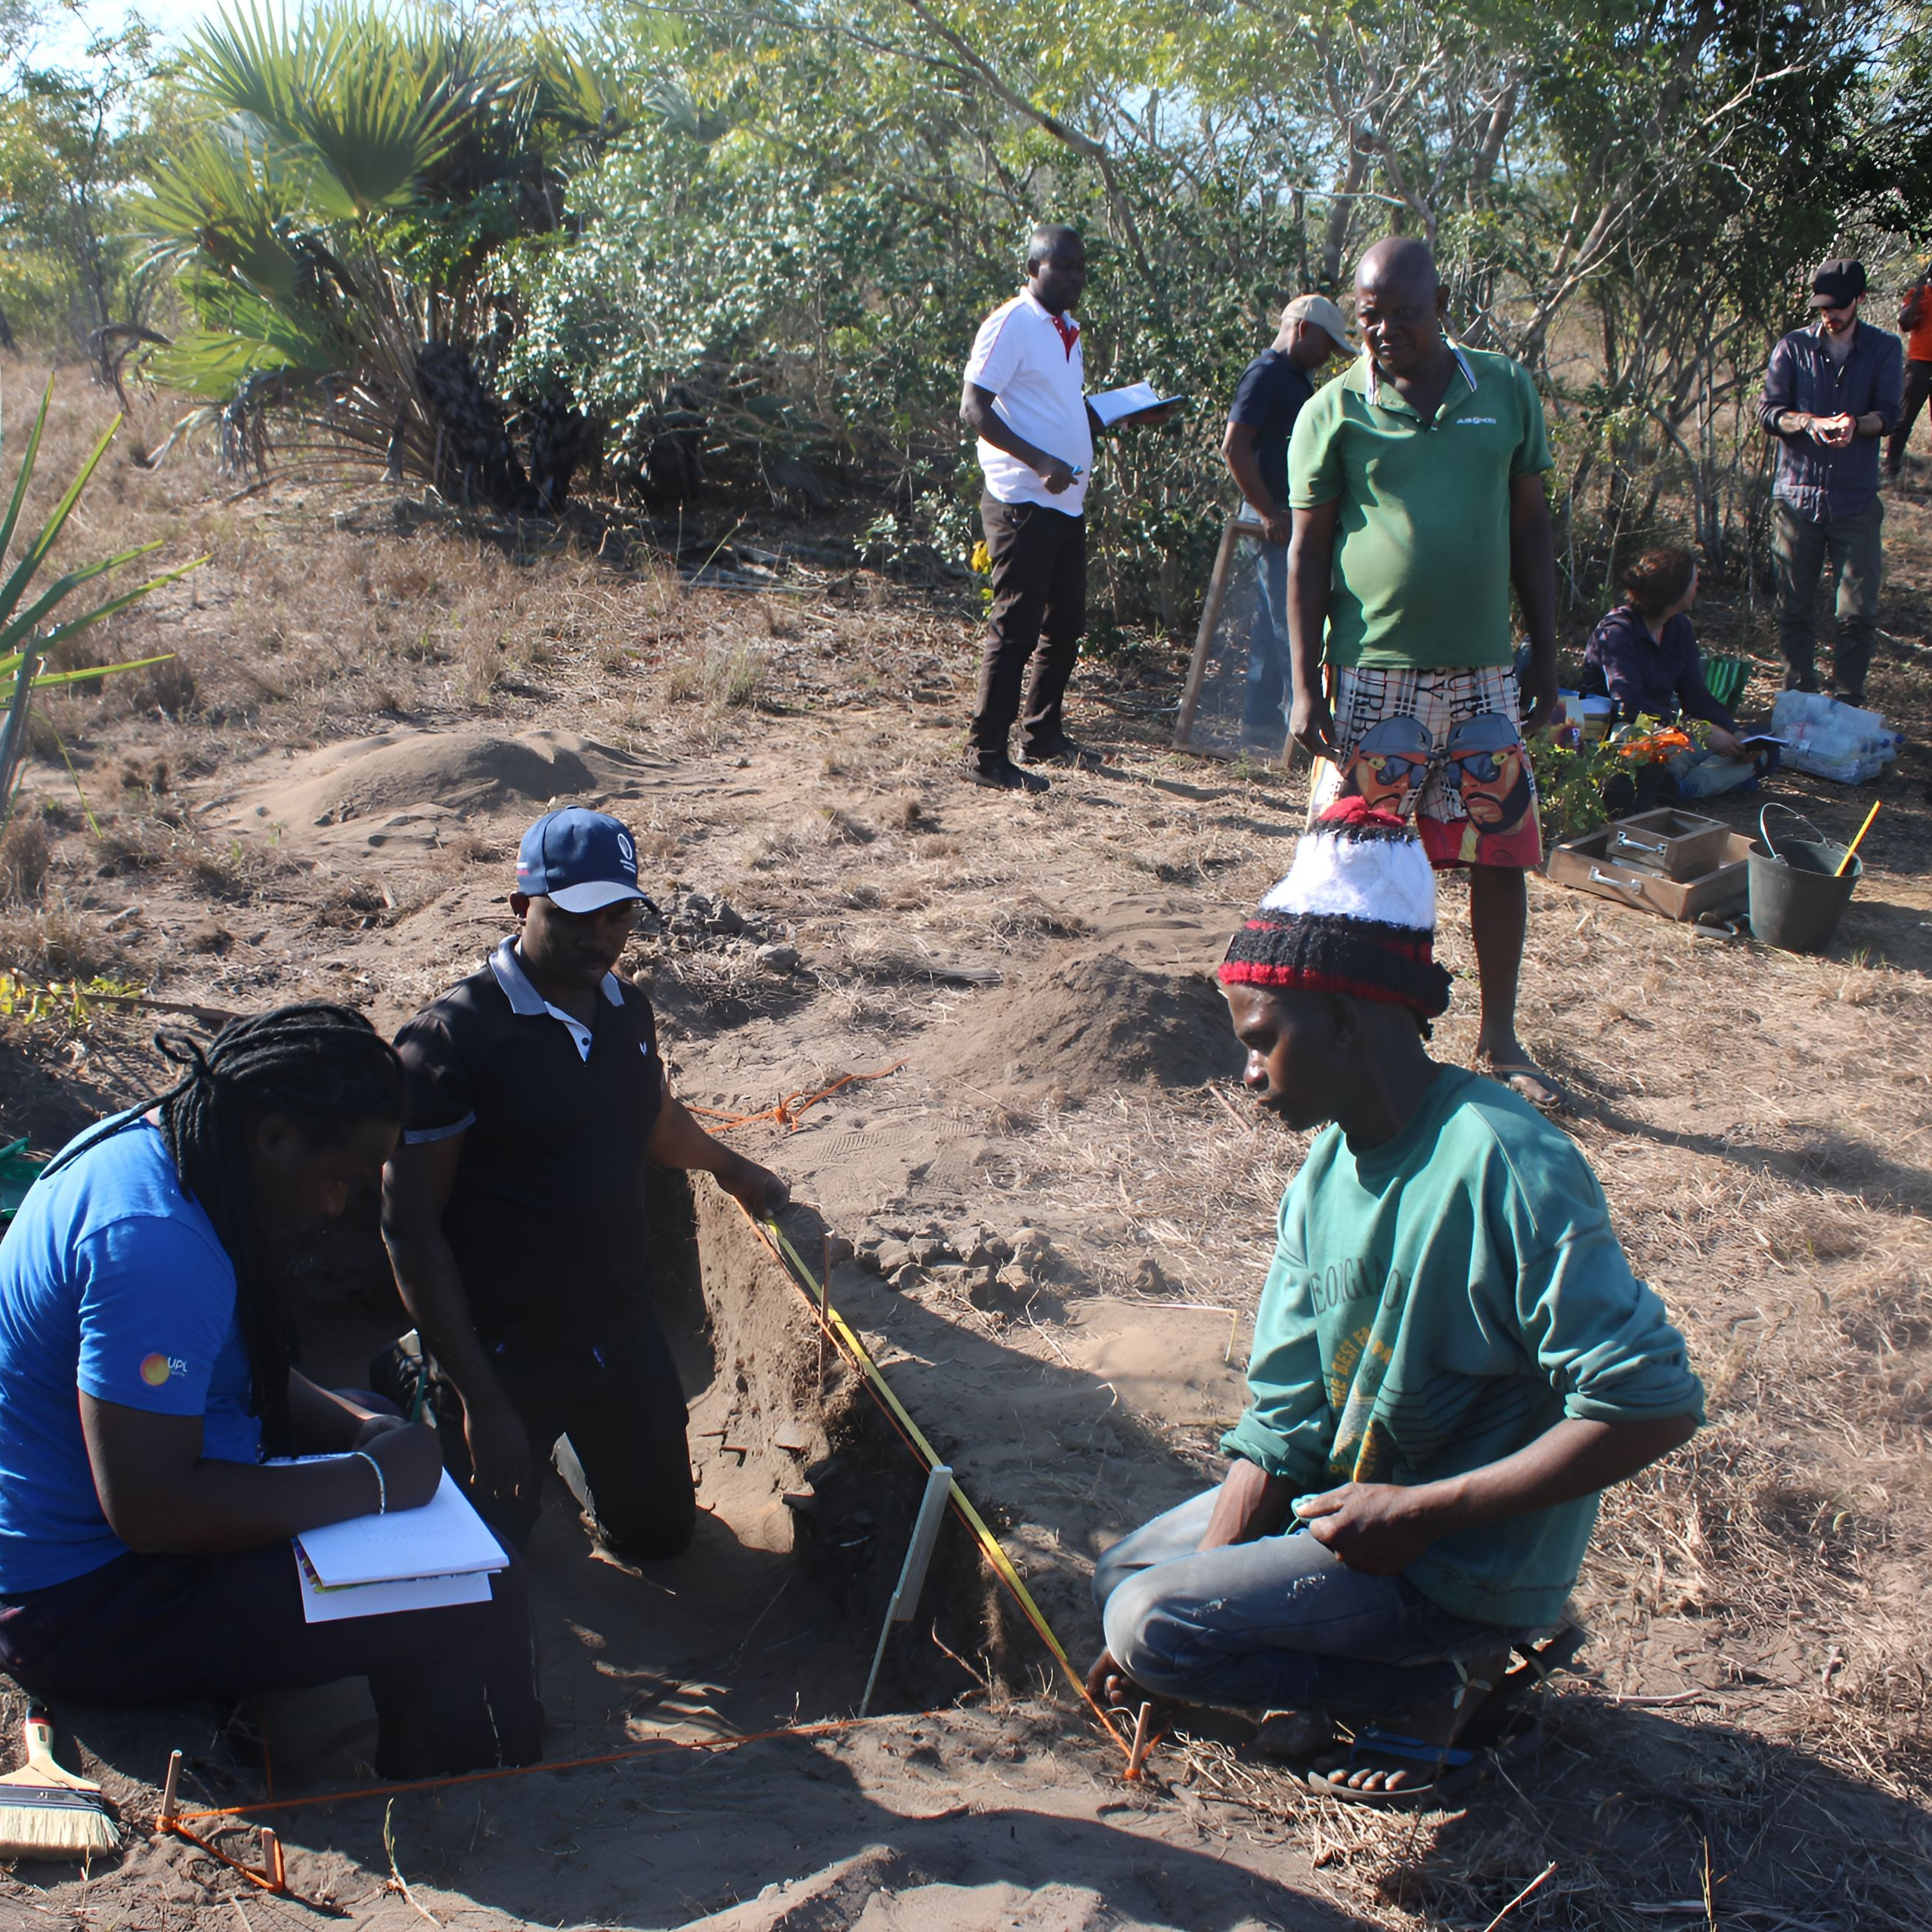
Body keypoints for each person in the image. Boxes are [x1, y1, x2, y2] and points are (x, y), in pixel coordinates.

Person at [1087, 800, 1704, 1806]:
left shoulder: (1506, 1162)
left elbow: (1655, 1404)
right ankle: (1324, 1657)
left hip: (1458, 1559)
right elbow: (1284, 1420)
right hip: (1357, 1514)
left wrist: (1424, 1511)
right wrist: (1193, 1616)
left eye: (1261, 1040)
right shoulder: (1324, 1173)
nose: (1245, 1074)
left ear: (1341, 1017)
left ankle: (1444, 1679)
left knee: (1152, 1621)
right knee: (1127, 1589)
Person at [0, 1006, 541, 1779]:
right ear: (275, 1134)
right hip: (87, 1604)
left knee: (380, 1416)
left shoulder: (175, 1146)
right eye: (342, 1181)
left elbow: (222, 1365)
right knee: (474, 1594)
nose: (337, 1208)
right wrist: (374, 1482)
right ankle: (473, 1794)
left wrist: (358, 1432)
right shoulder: (155, 1246)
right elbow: (151, 1509)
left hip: (104, 1539)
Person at [382, 808, 788, 1565]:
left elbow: (653, 1119)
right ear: (520, 907)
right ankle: (416, 1367)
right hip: (503, 1343)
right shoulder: (450, 1042)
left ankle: (567, 1448)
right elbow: (410, 1228)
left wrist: (733, 1169)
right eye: (573, 916)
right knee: (484, 1557)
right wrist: (479, 1397)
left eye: (618, 916)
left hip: (616, 1324)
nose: (598, 937)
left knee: (658, 1539)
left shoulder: (626, 1010)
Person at [1286, 235, 1564, 1110]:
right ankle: (1354, 1028)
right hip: (1373, 674)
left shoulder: (1505, 393)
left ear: (1441, 303)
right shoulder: (1333, 412)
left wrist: (1548, 654)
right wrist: (1303, 681)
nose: (1385, 332)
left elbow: (1529, 530)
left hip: (1481, 671)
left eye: (1404, 313)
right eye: (1370, 316)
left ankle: (1500, 1034)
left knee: (1498, 849)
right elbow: (1306, 551)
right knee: (1355, 854)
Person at [959, 224, 1178, 791]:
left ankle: (1042, 733)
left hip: (1064, 501)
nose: (1076, 277)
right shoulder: (1013, 322)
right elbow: (975, 408)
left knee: (1065, 624)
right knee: (1015, 630)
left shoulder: (1067, 330)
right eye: (1063, 267)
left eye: (1081, 267)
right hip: (1023, 500)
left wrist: (1123, 413)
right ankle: (987, 757)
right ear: (1033, 270)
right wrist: (1039, 463)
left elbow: (1061, 409)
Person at [1757, 257, 1903, 706]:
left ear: (1859, 301)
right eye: (1823, 307)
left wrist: (1854, 425)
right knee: (1794, 609)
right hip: (1796, 497)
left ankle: (1845, 704)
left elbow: (1890, 416)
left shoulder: (1885, 349)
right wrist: (1808, 423)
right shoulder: (1792, 347)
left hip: (1855, 499)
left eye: (1838, 307)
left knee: (1857, 614)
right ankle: (1798, 699)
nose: (1830, 316)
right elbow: (1768, 412)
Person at [1221, 295, 1351, 747]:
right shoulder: (1266, 375)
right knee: (1288, 624)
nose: (1329, 357)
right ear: (1301, 331)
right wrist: (1266, 512)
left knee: (1270, 624)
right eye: (1327, 345)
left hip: (1286, 516)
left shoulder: (1295, 380)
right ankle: (1289, 732)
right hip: (1272, 518)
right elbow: (1234, 446)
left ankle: (1260, 732)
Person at [1583, 545, 1766, 811]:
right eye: (1694, 580)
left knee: (1758, 745)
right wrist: (1698, 731)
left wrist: (1731, 731)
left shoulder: (1679, 627)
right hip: (1618, 729)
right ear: (1674, 592)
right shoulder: (1618, 632)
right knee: (1647, 746)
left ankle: (1676, 782)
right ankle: (1688, 783)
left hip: (1670, 729)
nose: (1697, 585)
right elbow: (1628, 704)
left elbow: (1696, 694)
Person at [1884, 261, 1932, 479]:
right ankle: (1891, 465)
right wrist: (1916, 297)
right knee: (1904, 418)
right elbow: (1904, 323)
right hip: (1919, 365)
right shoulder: (1918, 294)